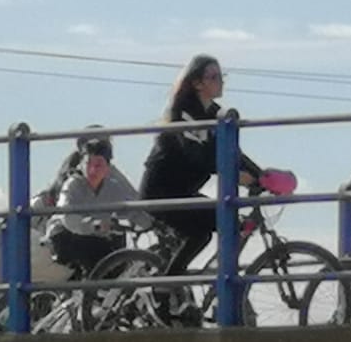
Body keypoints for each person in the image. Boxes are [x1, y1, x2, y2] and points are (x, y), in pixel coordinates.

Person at [139, 55, 263, 287]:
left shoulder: (215, 114)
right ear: (197, 83)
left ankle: (189, 285)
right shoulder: (182, 113)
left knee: (226, 223)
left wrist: (261, 176)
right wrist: (235, 176)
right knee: (203, 232)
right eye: (213, 77)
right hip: (161, 191)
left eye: (221, 76)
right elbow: (197, 157)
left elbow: (233, 153)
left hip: (184, 191)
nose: (221, 81)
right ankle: (164, 287)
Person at [47, 134, 150, 278]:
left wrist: (151, 224)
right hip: (66, 236)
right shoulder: (73, 184)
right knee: (95, 253)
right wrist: (93, 225)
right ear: (80, 164)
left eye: (98, 165)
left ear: (108, 168)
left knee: (118, 261)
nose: (92, 170)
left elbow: (132, 209)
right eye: (88, 164)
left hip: (96, 237)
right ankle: (91, 288)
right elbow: (67, 216)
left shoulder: (113, 187)